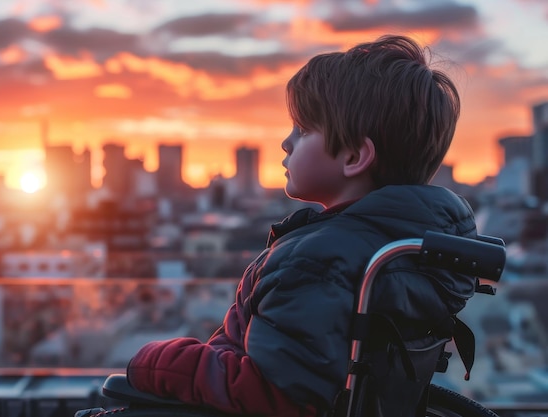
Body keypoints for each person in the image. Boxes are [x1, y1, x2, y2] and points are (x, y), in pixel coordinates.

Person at [126, 34, 476, 417]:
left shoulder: (320, 261)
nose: (285, 143)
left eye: (303, 130)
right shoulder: (408, 253)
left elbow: (276, 396)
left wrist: (161, 363)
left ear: (355, 156)